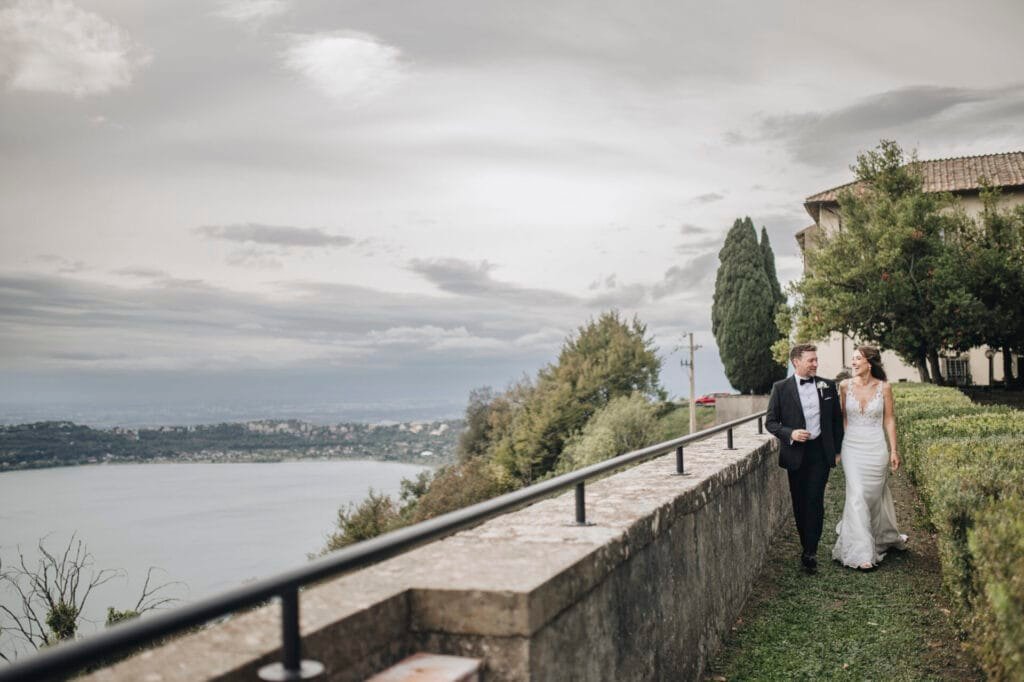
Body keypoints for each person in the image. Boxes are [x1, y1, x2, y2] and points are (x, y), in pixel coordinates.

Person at [766, 344, 844, 574]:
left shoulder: (827, 386)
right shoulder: (780, 388)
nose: (815, 364)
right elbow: (770, 422)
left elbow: (836, 422)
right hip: (795, 454)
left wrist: (837, 451)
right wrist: (790, 433)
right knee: (799, 502)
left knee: (814, 499)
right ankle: (805, 544)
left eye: (816, 360)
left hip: (820, 452)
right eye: (810, 360)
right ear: (796, 362)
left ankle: (811, 551)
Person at [831, 346, 908, 570]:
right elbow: (842, 419)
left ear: (870, 362)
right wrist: (839, 448)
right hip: (852, 447)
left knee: (873, 496)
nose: (853, 363)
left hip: (876, 448)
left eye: (857, 359)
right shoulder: (844, 386)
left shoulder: (884, 388)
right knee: (857, 495)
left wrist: (893, 450)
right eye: (852, 359)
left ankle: (882, 534)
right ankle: (862, 552)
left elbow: (889, 420)